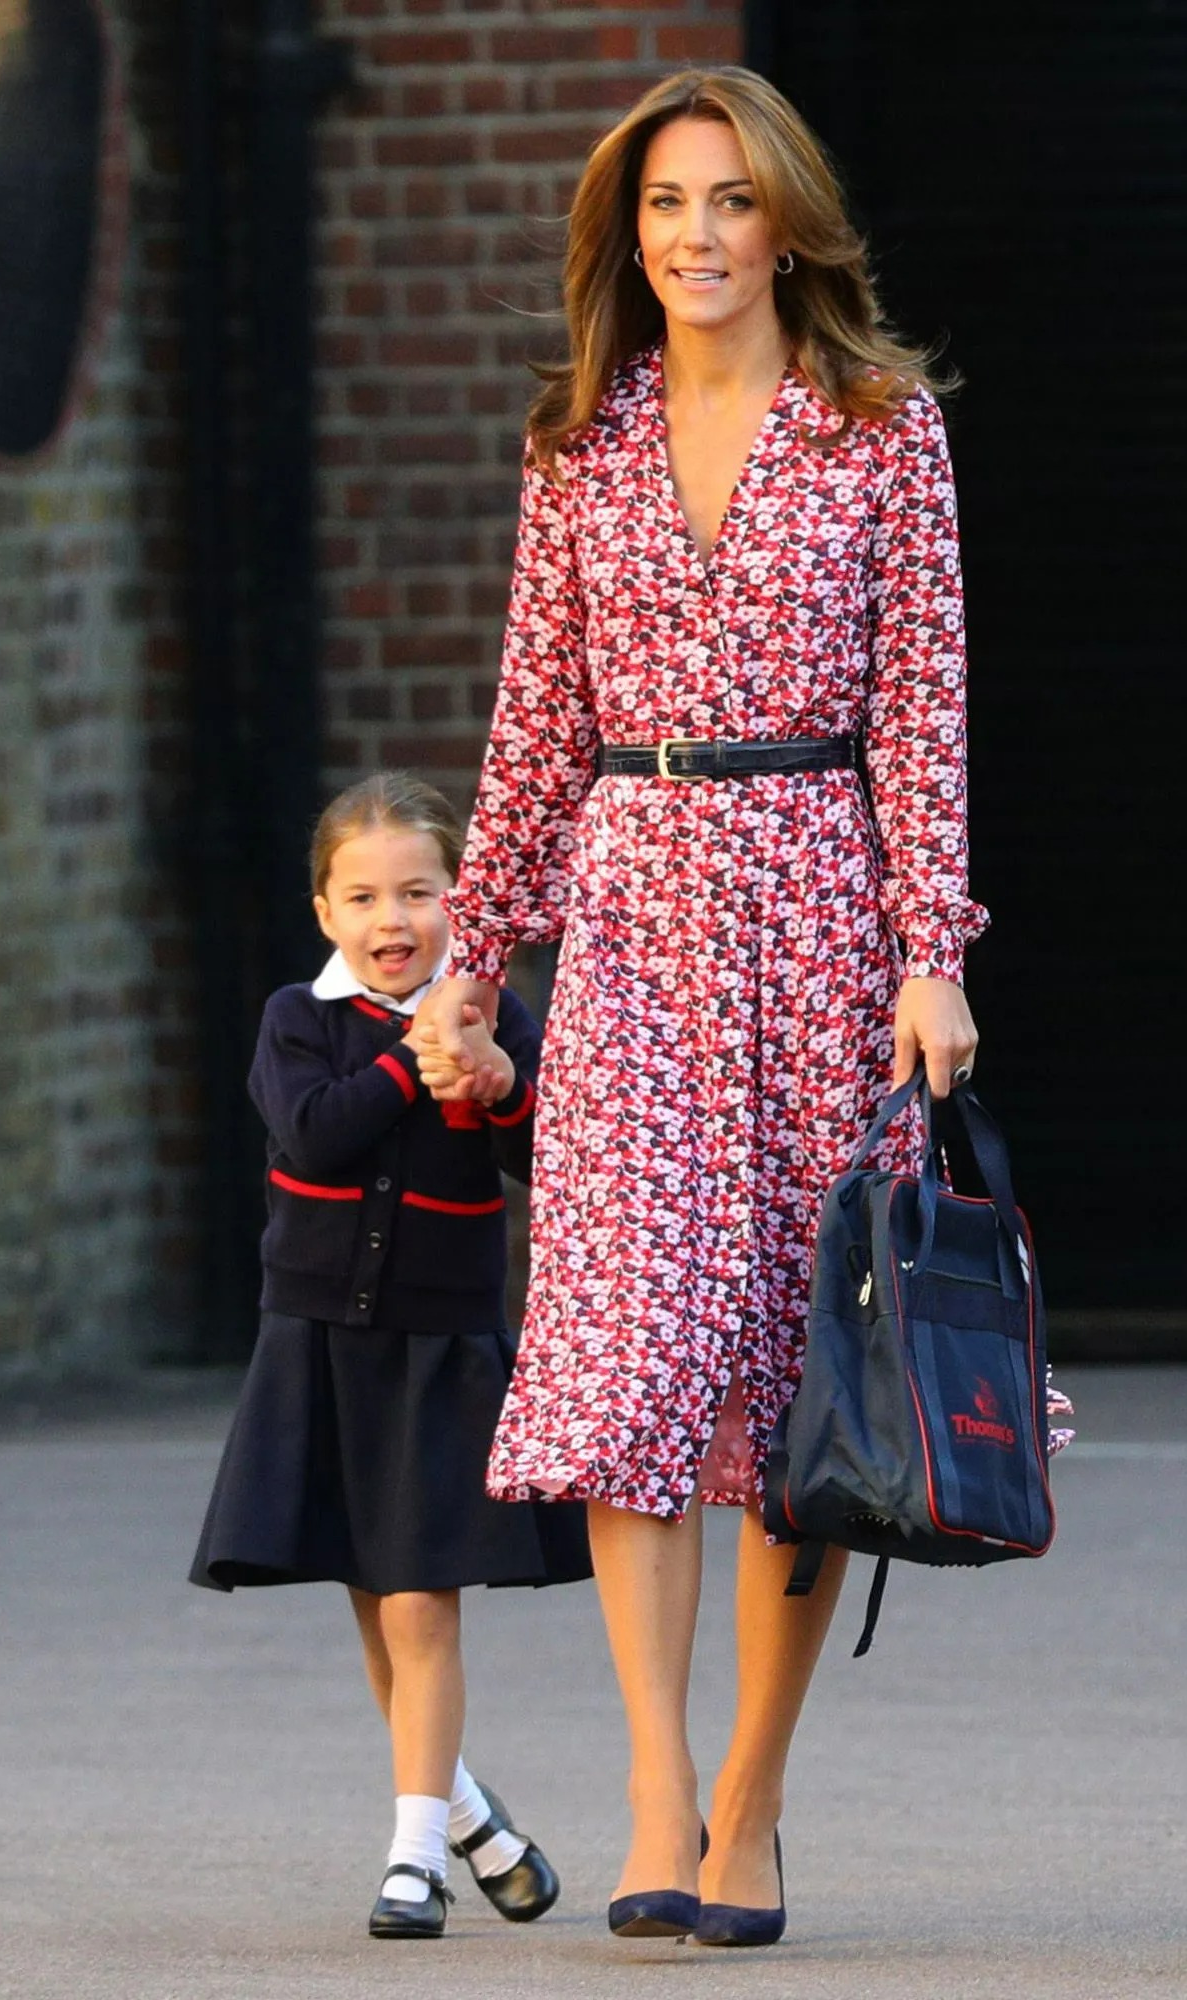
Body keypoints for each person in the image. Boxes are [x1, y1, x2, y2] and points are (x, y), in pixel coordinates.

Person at [412, 66, 1072, 1949]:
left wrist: (930, 950)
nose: (693, 237)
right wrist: (476, 953)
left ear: (785, 220)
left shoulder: (880, 434)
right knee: (628, 1364)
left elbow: (924, 709)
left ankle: (752, 1803)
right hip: (629, 923)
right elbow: (534, 726)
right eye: (661, 208)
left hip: (820, 918)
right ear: (625, 239)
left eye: (724, 201)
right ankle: (650, 1783)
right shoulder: (580, 442)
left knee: (798, 1386)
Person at [190, 773, 591, 1942]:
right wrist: (408, 1066)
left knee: (421, 1600)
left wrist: (505, 1082)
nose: (393, 917)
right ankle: (473, 1817)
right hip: (317, 1338)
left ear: (459, 901)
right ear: (324, 909)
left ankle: (414, 1857)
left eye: (420, 890)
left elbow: (546, 1156)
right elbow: (310, 1127)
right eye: (363, 894)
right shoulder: (294, 1019)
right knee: (377, 1603)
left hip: (437, 1340)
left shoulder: (492, 1013)